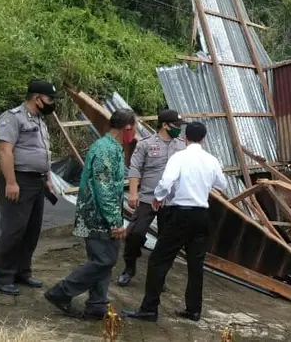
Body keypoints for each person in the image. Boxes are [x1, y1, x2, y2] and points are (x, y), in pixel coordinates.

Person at [123, 122, 227, 323]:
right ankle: (193, 310)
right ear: (204, 139)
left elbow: (166, 181)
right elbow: (221, 184)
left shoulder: (179, 157)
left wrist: (158, 197)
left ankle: (149, 308)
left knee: (159, 260)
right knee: (196, 264)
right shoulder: (211, 160)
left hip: (181, 214)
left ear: (185, 137)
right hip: (202, 215)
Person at [44, 109, 136, 320]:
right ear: (128, 127)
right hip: (97, 216)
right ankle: (61, 292)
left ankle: (97, 305)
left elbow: (111, 187)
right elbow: (103, 188)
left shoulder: (113, 147)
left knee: (103, 259)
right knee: (103, 260)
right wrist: (116, 220)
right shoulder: (105, 149)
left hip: (103, 213)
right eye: (135, 127)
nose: (136, 132)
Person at [0, 80, 57, 296]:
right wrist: (11, 182)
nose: (52, 104)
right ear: (37, 98)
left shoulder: (40, 120)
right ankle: (1, 278)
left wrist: (47, 178)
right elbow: (4, 151)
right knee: (14, 230)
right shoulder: (13, 117)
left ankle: (21, 272)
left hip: (37, 181)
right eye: (50, 99)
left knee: (31, 230)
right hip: (18, 180)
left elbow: (41, 152)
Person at [117, 109, 186, 287]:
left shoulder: (181, 146)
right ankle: (129, 268)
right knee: (135, 234)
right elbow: (134, 169)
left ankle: (158, 276)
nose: (179, 129)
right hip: (148, 198)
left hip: (170, 202)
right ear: (164, 125)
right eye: (176, 126)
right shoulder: (146, 144)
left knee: (166, 241)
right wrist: (133, 193)